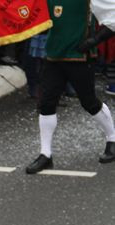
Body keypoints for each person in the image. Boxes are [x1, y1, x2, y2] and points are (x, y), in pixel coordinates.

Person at [24, 0, 115, 173]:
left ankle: (112, 138)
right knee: (46, 104)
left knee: (90, 103)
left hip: (79, 56)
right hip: (53, 55)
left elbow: (114, 14)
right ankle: (45, 154)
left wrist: (95, 40)